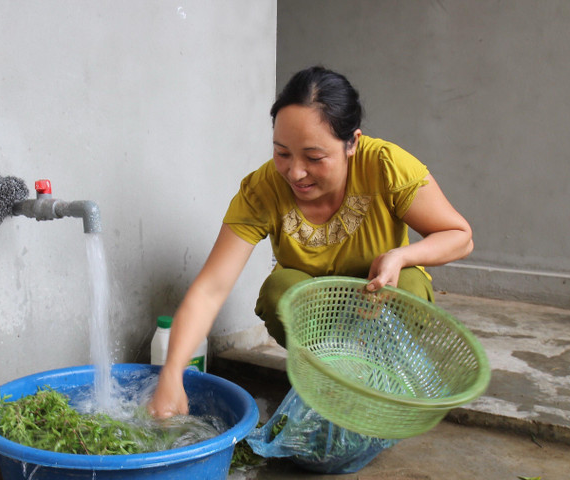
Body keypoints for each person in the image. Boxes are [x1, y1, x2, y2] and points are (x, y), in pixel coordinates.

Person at [149, 66, 473, 420]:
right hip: (316, 315)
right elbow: (211, 288)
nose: (295, 172)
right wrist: (172, 374)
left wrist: (401, 256)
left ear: (352, 143)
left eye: (314, 158)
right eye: (282, 153)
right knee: (280, 290)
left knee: (408, 286)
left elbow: (460, 237)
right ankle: (327, 379)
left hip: (378, 303)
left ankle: (377, 380)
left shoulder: (385, 165)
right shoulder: (263, 189)